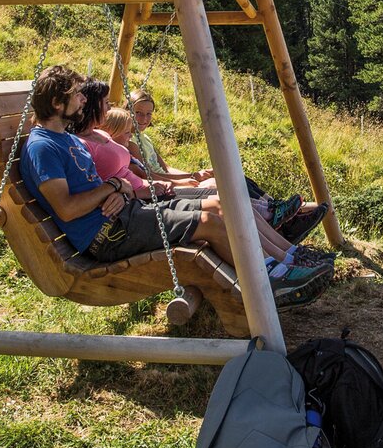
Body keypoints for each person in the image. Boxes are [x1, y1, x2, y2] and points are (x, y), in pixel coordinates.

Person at [19, 66, 332, 307]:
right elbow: (67, 208)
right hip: (106, 235)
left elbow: (103, 182)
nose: (83, 99)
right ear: (57, 103)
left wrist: (119, 190)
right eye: (77, 94)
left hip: (125, 213)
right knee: (210, 221)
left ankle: (286, 261)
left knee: (221, 205)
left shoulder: (66, 138)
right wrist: (113, 186)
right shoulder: (43, 147)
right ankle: (272, 280)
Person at [129, 87, 330, 242]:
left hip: (170, 181)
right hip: (163, 188)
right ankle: (276, 221)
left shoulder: (145, 139)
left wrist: (194, 175)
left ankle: (276, 208)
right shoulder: (130, 142)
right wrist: (187, 181)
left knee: (235, 178)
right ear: (127, 110)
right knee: (222, 187)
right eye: (138, 113)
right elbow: (149, 174)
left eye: (148, 114)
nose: (144, 119)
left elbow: (165, 168)